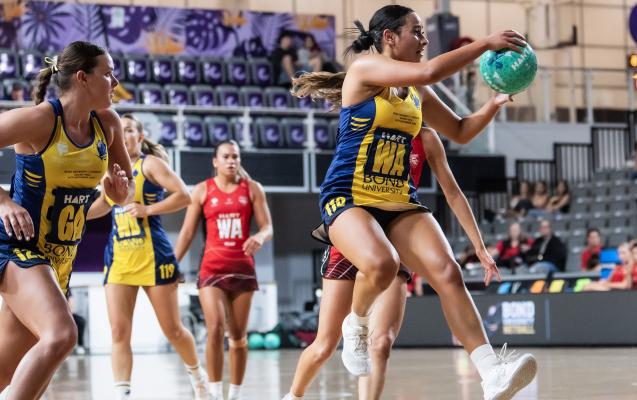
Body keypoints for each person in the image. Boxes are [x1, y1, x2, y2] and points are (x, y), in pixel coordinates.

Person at [290, 5, 536, 399]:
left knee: (448, 272)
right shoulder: (365, 70)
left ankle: (492, 373)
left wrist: (492, 103)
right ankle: (356, 323)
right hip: (349, 197)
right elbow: (429, 70)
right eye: (417, 32)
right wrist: (485, 44)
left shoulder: (417, 93)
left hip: (397, 200)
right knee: (382, 263)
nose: (424, 40)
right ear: (389, 37)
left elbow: (459, 130)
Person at [284, 127, 496, 400]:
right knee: (324, 346)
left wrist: (493, 104)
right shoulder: (367, 120)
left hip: (397, 235)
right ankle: (294, 395)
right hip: (354, 233)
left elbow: (460, 130)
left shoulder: (426, 137)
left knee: (381, 343)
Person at [0, 41, 132, 399]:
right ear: (82, 77)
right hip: (18, 247)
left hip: (59, 259)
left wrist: (116, 196)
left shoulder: (108, 123)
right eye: (107, 74)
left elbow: (126, 188)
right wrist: (3, 201)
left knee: (8, 371)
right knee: (62, 334)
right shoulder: (40, 119)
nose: (115, 82)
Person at [86, 114, 208, 399]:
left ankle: (197, 376)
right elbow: (104, 205)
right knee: (118, 333)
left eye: (130, 130)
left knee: (173, 330)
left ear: (140, 137)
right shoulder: (108, 170)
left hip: (154, 256)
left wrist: (148, 210)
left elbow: (184, 196)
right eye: (121, 130)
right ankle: (122, 393)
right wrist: (78, 214)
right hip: (118, 259)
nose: (124, 134)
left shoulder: (150, 164)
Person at [175, 140, 273, 400]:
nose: (231, 161)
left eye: (236, 156)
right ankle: (215, 393)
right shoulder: (201, 190)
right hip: (212, 270)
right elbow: (186, 233)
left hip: (243, 269)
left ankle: (235, 394)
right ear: (215, 161)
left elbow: (267, 227)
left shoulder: (253, 189)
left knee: (239, 336)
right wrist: (172, 263)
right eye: (226, 156)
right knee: (216, 328)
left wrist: (260, 238)